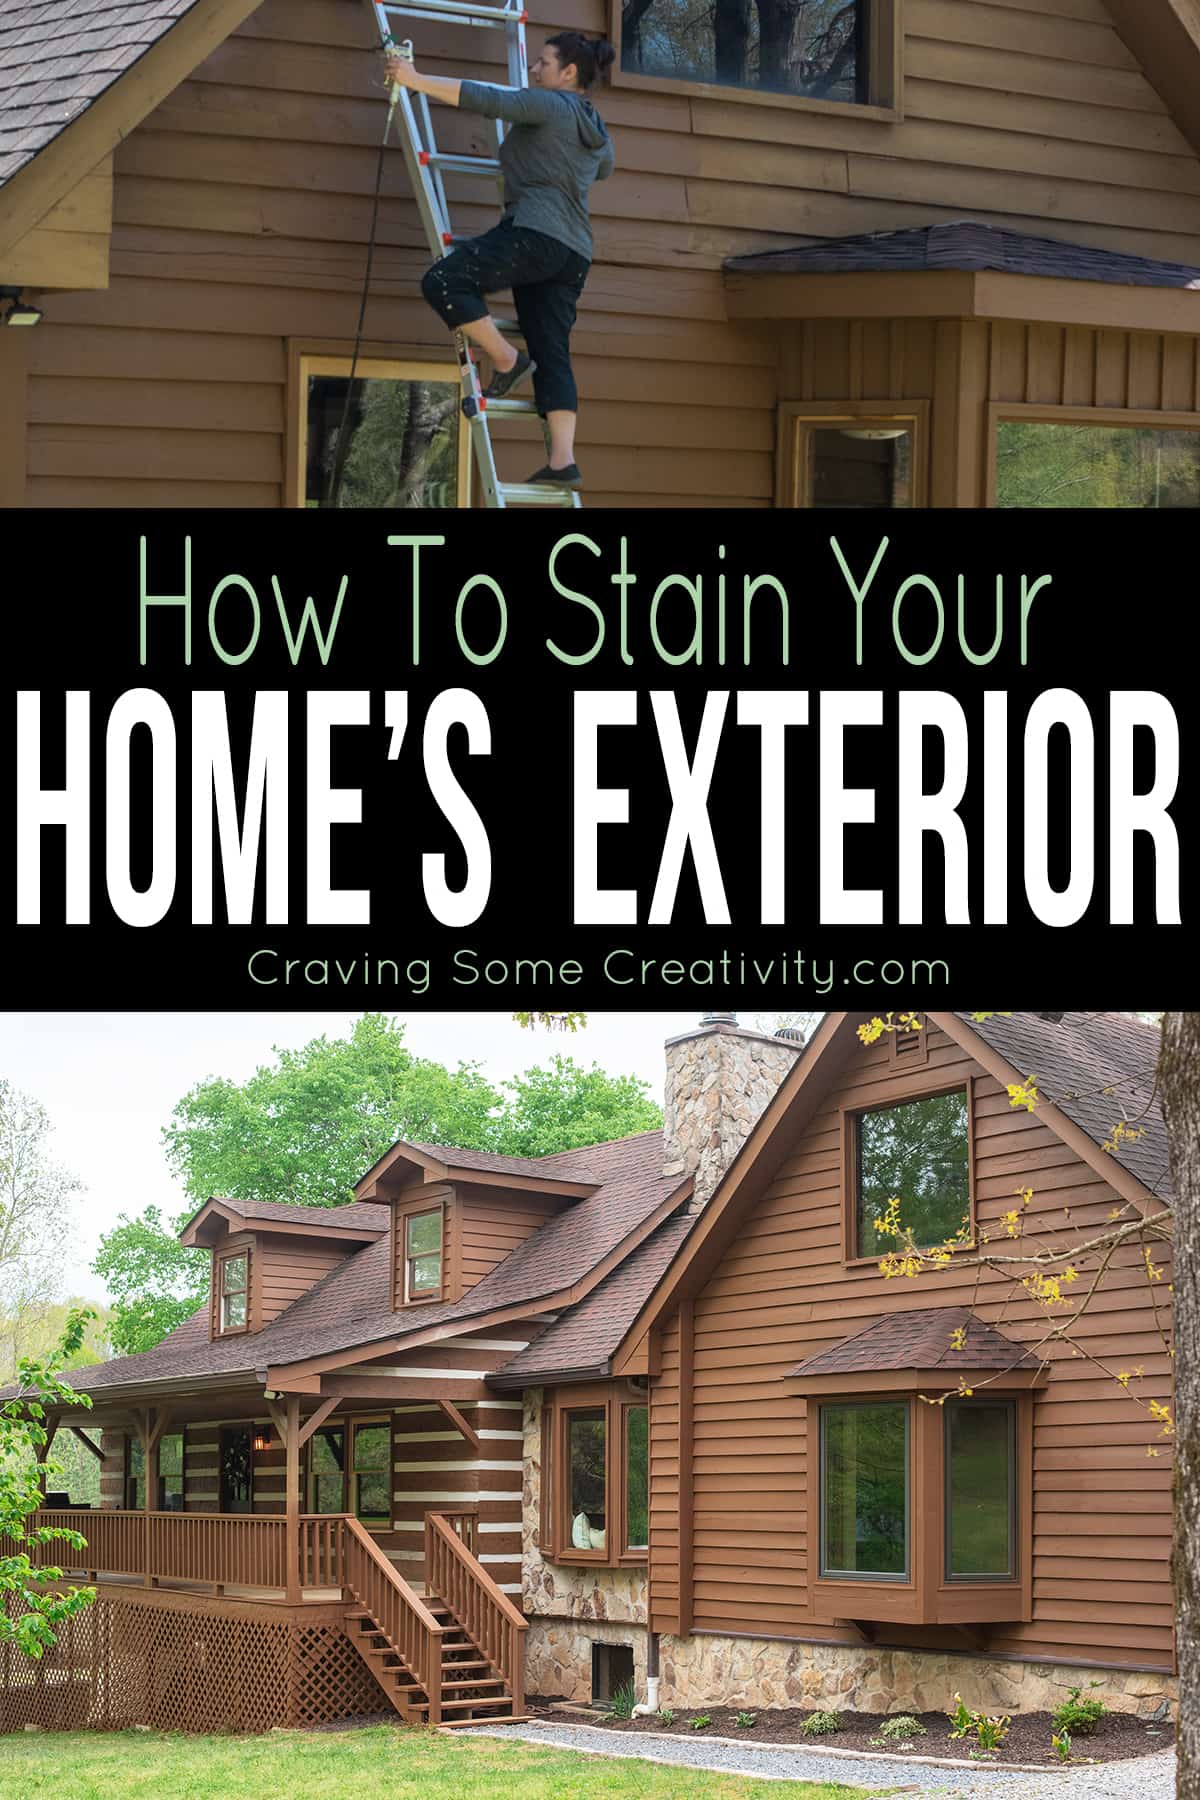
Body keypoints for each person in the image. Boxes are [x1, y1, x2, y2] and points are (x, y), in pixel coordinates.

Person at [385, 32, 615, 491]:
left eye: (543, 63)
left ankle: (507, 360)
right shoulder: (596, 127)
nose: (533, 70)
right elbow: (604, 166)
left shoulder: (551, 106)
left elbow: (488, 99)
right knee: (553, 351)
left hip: (535, 232)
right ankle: (563, 459)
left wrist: (414, 79)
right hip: (574, 252)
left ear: (568, 73)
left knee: (444, 282)